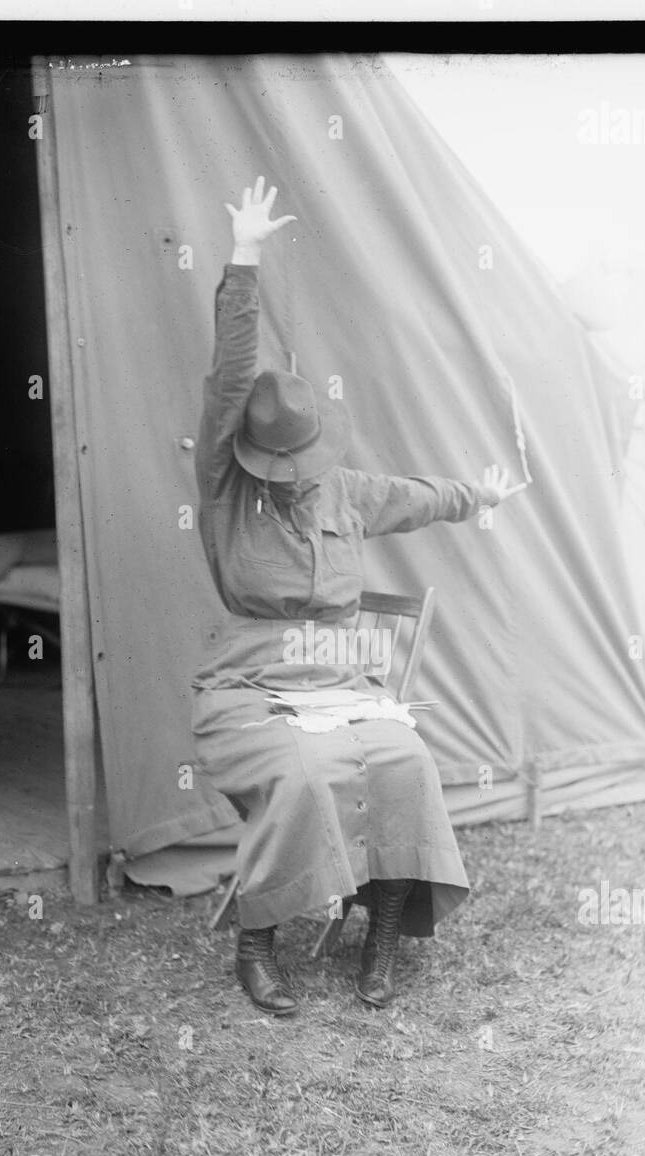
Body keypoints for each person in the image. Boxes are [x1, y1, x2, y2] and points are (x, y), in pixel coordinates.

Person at [191, 177, 520, 1017]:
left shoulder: (340, 489)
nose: (298, 482)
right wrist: (246, 255)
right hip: (250, 687)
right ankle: (258, 941)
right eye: (283, 470)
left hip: (340, 678)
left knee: (404, 759)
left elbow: (412, 496)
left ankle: (383, 923)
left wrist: (476, 495)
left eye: (303, 465)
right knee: (303, 773)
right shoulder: (227, 489)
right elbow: (231, 375)